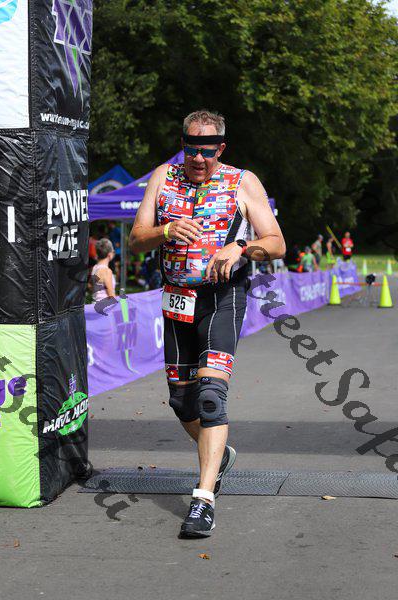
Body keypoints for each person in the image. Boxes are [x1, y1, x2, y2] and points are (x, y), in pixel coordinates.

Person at [129, 109, 286, 538]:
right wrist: (165, 231)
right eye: (191, 148)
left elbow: (276, 243)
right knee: (183, 402)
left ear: (221, 148)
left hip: (222, 298)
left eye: (207, 149)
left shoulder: (242, 181)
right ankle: (218, 454)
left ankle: (203, 500)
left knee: (212, 397)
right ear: (183, 145)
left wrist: (241, 247)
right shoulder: (163, 177)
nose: (198, 158)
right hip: (176, 299)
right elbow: (136, 238)